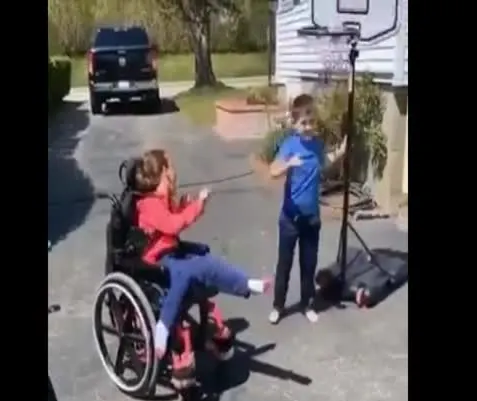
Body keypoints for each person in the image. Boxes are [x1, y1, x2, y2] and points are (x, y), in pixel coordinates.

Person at [134, 149, 271, 381]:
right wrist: (196, 207)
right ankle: (163, 327)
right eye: (171, 167)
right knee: (185, 273)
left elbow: (174, 218)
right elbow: (172, 225)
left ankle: (248, 284)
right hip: (156, 261)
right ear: (164, 174)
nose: (175, 172)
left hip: (172, 253)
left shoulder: (161, 200)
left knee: (208, 261)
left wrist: (194, 204)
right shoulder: (148, 204)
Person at [268, 94, 347, 324]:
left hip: (312, 218)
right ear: (295, 123)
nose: (309, 126)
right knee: (284, 264)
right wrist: (287, 164)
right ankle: (278, 306)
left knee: (308, 264)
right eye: (304, 122)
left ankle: (307, 304)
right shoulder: (290, 145)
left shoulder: (317, 145)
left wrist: (340, 153)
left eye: (312, 121)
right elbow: (273, 170)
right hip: (290, 219)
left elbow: (324, 162)